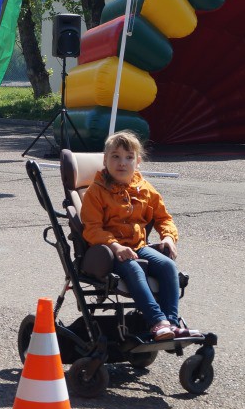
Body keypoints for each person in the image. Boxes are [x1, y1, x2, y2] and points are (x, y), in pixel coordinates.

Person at [80, 130, 195, 341]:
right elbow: (92, 229)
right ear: (105, 160)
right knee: (134, 268)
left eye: (129, 157)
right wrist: (115, 246)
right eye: (115, 156)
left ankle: (172, 323)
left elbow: (164, 218)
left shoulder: (145, 189)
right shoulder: (95, 192)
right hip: (108, 252)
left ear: (138, 162)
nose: (122, 163)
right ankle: (157, 322)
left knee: (168, 265)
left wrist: (168, 237)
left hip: (138, 246)